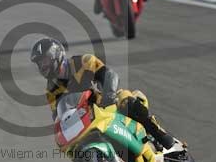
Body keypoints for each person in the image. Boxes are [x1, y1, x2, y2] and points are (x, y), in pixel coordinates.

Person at [30, 38, 183, 150]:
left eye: (44, 61)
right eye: (39, 63)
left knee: (124, 98)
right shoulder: (51, 90)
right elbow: (58, 116)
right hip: (85, 121)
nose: (42, 66)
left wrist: (109, 95)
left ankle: (161, 135)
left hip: (105, 105)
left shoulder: (83, 61)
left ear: (56, 55)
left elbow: (109, 75)